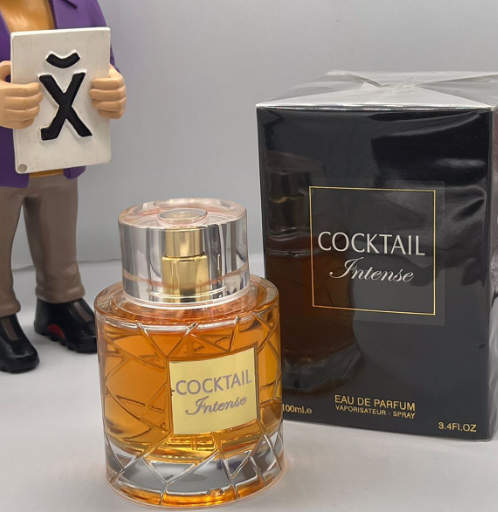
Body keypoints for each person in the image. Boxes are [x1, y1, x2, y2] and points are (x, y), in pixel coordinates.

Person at [0, 0, 127, 373]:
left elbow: (101, 59)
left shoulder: (80, 3)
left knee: (59, 231)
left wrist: (112, 87)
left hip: (60, 148)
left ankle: (61, 300)